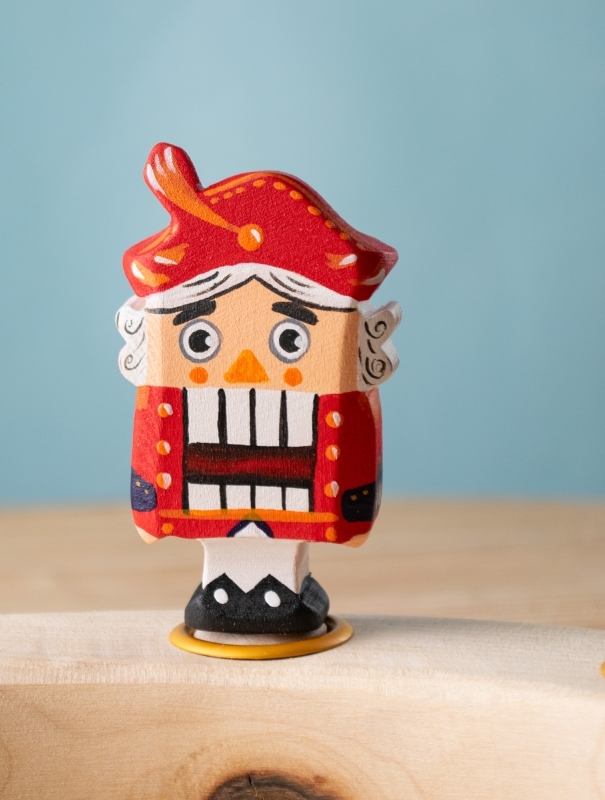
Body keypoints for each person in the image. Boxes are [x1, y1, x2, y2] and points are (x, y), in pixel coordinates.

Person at [117, 143, 400, 636]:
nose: (245, 369)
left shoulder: (336, 409)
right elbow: (153, 469)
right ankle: (228, 588)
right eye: (199, 340)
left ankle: (279, 588)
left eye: (292, 340)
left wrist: (351, 504)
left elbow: (352, 476)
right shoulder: (170, 409)